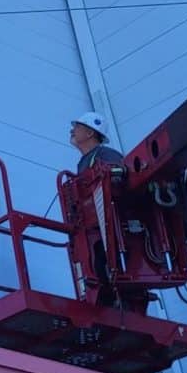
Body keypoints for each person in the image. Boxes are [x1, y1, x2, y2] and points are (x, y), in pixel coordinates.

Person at [69, 111, 124, 306]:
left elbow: (118, 183)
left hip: (112, 225)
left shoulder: (106, 155)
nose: (72, 130)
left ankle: (113, 295)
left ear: (91, 133)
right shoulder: (85, 162)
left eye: (77, 127)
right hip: (94, 228)